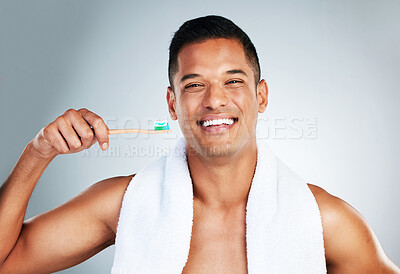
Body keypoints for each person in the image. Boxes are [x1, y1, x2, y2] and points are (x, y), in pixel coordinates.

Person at [0, 15, 398, 273]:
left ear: (261, 96)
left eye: (233, 81)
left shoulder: (325, 220)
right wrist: (38, 153)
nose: (214, 100)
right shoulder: (123, 203)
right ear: (173, 104)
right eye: (194, 85)